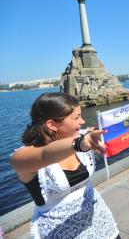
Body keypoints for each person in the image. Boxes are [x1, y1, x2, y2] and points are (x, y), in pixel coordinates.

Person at [10, 92, 120, 238]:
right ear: (52, 125)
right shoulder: (22, 157)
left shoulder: (81, 135)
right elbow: (44, 155)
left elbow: (111, 126)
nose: (82, 121)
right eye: (76, 117)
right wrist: (79, 144)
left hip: (99, 221)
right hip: (60, 231)